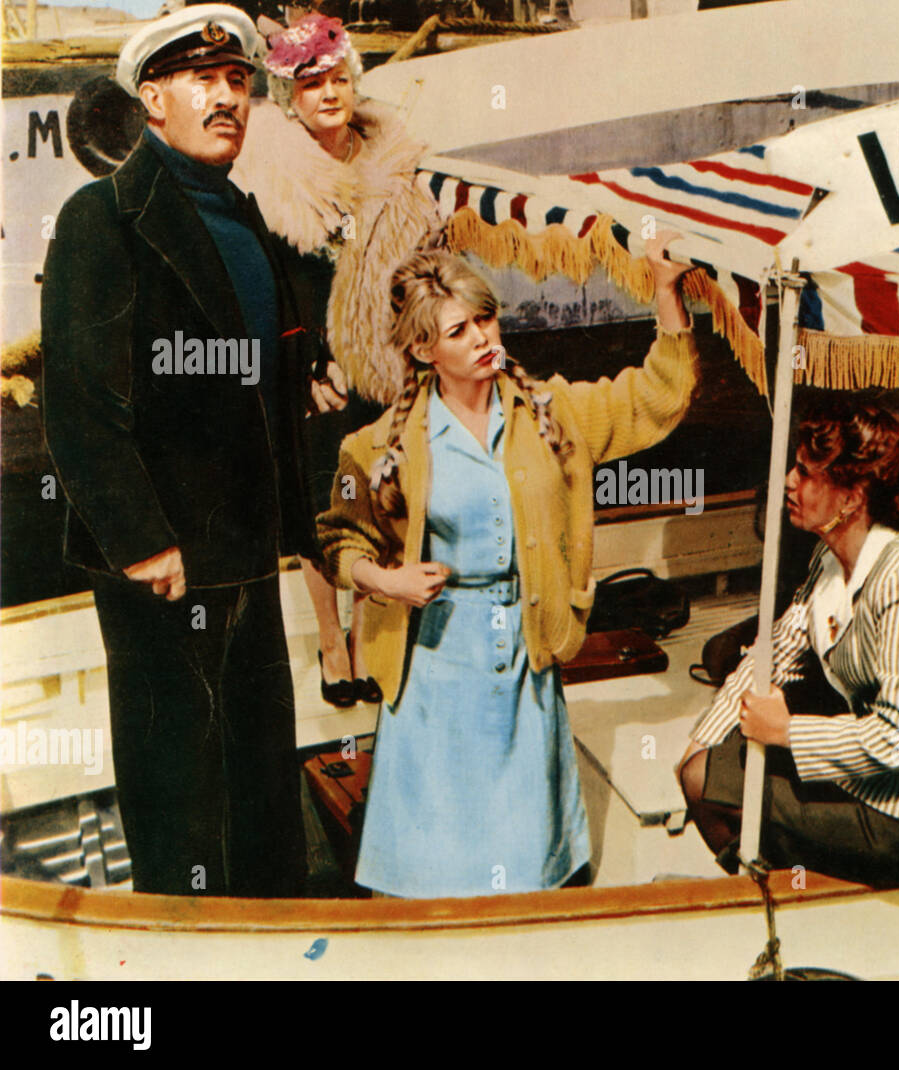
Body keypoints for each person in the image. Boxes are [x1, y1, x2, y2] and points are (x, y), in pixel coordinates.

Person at [40, 5, 348, 896]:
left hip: (246, 552)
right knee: (179, 785)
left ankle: (267, 932)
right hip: (164, 559)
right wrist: (141, 541)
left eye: (239, 82)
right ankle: (182, 943)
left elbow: (259, 378)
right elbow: (83, 404)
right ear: (152, 100)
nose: (227, 99)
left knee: (257, 775)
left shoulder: (243, 216)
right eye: (202, 82)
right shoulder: (104, 217)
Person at [315, 240, 697, 897]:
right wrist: (387, 582)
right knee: (435, 876)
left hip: (526, 659)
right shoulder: (374, 445)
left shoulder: (555, 414)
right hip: (434, 677)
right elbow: (340, 539)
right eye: (460, 331)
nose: (483, 338)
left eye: (486, 319)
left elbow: (653, 401)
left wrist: (667, 297)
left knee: (528, 866)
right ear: (422, 350)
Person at [678, 397, 899, 888]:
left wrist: (788, 731)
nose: (789, 482)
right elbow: (773, 657)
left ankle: (790, 903)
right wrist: (701, 739)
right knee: (699, 771)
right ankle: (790, 894)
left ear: (853, 496)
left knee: (711, 785)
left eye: (806, 473)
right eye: (794, 468)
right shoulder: (830, 560)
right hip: (885, 782)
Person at [230, 12, 445, 706]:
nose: (329, 93)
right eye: (312, 82)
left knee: (379, 495)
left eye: (339, 79)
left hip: (387, 361)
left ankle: (369, 632)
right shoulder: (269, 178)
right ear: (290, 96)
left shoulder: (397, 167)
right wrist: (300, 373)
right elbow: (267, 286)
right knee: (320, 502)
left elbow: (425, 264)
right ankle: (331, 639)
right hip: (313, 373)